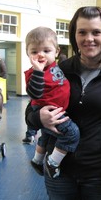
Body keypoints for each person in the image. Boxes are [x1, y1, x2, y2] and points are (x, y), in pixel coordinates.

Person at [25, 6, 101, 200]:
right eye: (82, 32)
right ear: (74, 36)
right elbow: (31, 111)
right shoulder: (59, 69)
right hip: (59, 170)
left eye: (96, 32)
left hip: (100, 173)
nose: (89, 38)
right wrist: (38, 117)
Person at [24, 26, 80, 178]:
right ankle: (53, 163)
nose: (40, 55)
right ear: (28, 54)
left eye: (46, 51)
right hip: (48, 111)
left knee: (47, 136)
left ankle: (37, 160)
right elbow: (34, 93)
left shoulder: (57, 67)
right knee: (72, 133)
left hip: (56, 110)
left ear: (56, 52)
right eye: (34, 52)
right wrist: (37, 71)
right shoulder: (34, 72)